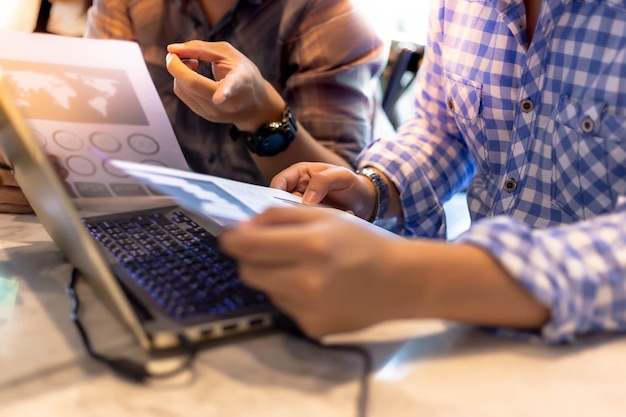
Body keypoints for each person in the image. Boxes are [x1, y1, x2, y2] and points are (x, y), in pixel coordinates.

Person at [218, 0, 626, 344]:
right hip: (471, 328)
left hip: (599, 347)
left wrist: (414, 277)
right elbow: (442, 130)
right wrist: (372, 188)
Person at [84, 0, 392, 184]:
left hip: (294, 243)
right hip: (184, 218)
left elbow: (339, 195)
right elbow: (98, 116)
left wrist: (260, 114)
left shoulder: (329, 13)